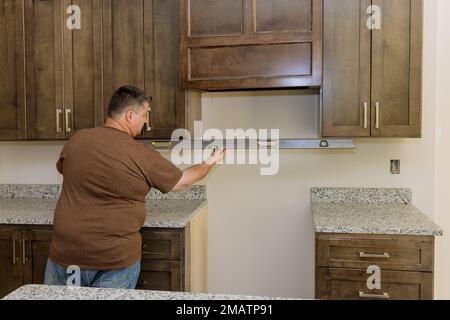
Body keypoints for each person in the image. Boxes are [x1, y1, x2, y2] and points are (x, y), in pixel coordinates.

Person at [44, 85, 225, 289]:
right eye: (145, 114)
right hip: (114, 261)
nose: (146, 121)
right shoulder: (139, 154)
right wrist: (210, 161)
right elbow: (182, 181)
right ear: (130, 115)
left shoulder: (76, 140)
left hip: (67, 256)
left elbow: (64, 169)